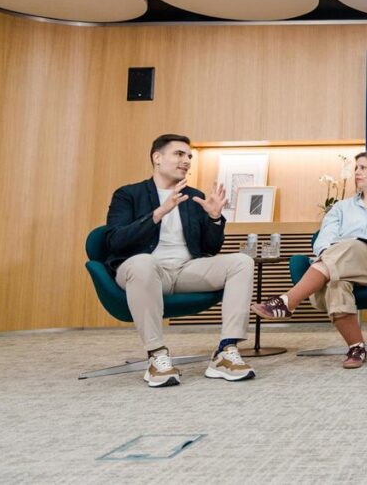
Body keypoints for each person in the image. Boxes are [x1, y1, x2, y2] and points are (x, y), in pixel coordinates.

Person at [104, 134, 256, 387]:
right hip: (143, 271)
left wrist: (215, 219)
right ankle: (156, 355)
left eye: (189, 157)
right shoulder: (128, 194)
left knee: (242, 262)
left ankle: (226, 350)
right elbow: (115, 241)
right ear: (157, 158)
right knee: (143, 262)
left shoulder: (193, 197)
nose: (186, 160)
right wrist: (160, 212)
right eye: (179, 154)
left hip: (185, 270)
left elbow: (210, 248)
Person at [251, 151, 367, 369]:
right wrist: (333, 252)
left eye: (362, 167)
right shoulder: (340, 208)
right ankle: (356, 347)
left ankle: (288, 301)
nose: (357, 172)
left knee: (353, 245)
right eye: (356, 168)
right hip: (340, 262)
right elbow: (323, 242)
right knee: (337, 281)